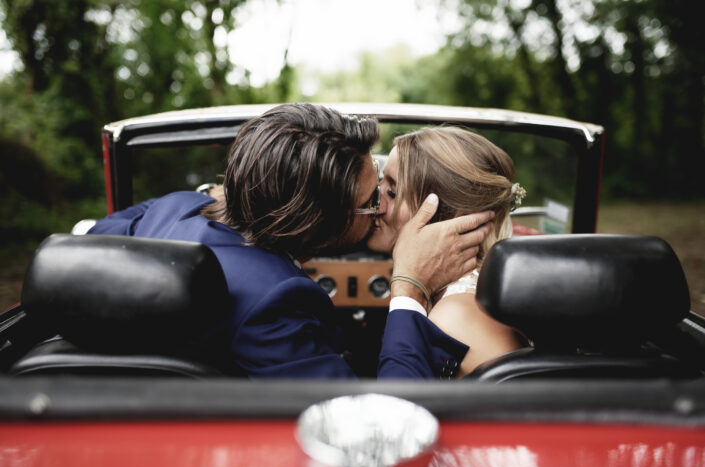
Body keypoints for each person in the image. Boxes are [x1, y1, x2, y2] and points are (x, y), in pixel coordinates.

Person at [88, 104, 494, 379]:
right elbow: (377, 426)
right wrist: (409, 286)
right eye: (369, 202)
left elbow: (96, 235)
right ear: (315, 224)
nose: (379, 211)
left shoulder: (174, 207)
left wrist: (238, 196)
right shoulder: (274, 302)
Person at [367, 126, 530, 378]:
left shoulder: (454, 316)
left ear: (445, 217)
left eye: (392, 192)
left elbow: (401, 407)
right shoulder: (465, 297)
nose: (375, 205)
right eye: (379, 186)